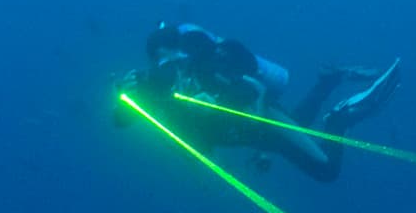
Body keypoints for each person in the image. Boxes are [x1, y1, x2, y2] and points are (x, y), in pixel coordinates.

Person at [135, 21, 399, 184]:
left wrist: (214, 101)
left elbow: (251, 90)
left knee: (327, 170)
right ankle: (327, 81)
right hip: (258, 130)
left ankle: (338, 119)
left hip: (265, 120)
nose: (163, 67)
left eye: (161, 58)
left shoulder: (201, 67)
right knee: (301, 124)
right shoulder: (175, 83)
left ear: (167, 51)